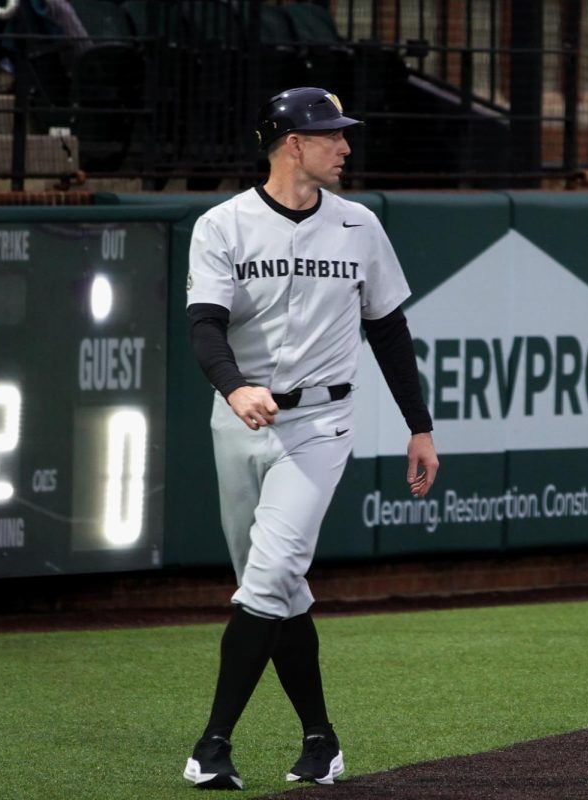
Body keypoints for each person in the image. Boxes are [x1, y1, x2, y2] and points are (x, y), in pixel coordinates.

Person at [182, 86, 439, 790]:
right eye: (333, 136)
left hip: (321, 423)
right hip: (239, 418)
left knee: (265, 579)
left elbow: (387, 329)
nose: (346, 147)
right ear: (293, 144)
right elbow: (204, 323)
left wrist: (420, 427)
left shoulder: (360, 226)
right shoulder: (224, 224)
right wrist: (234, 385)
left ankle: (212, 745)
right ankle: (321, 740)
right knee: (276, 586)